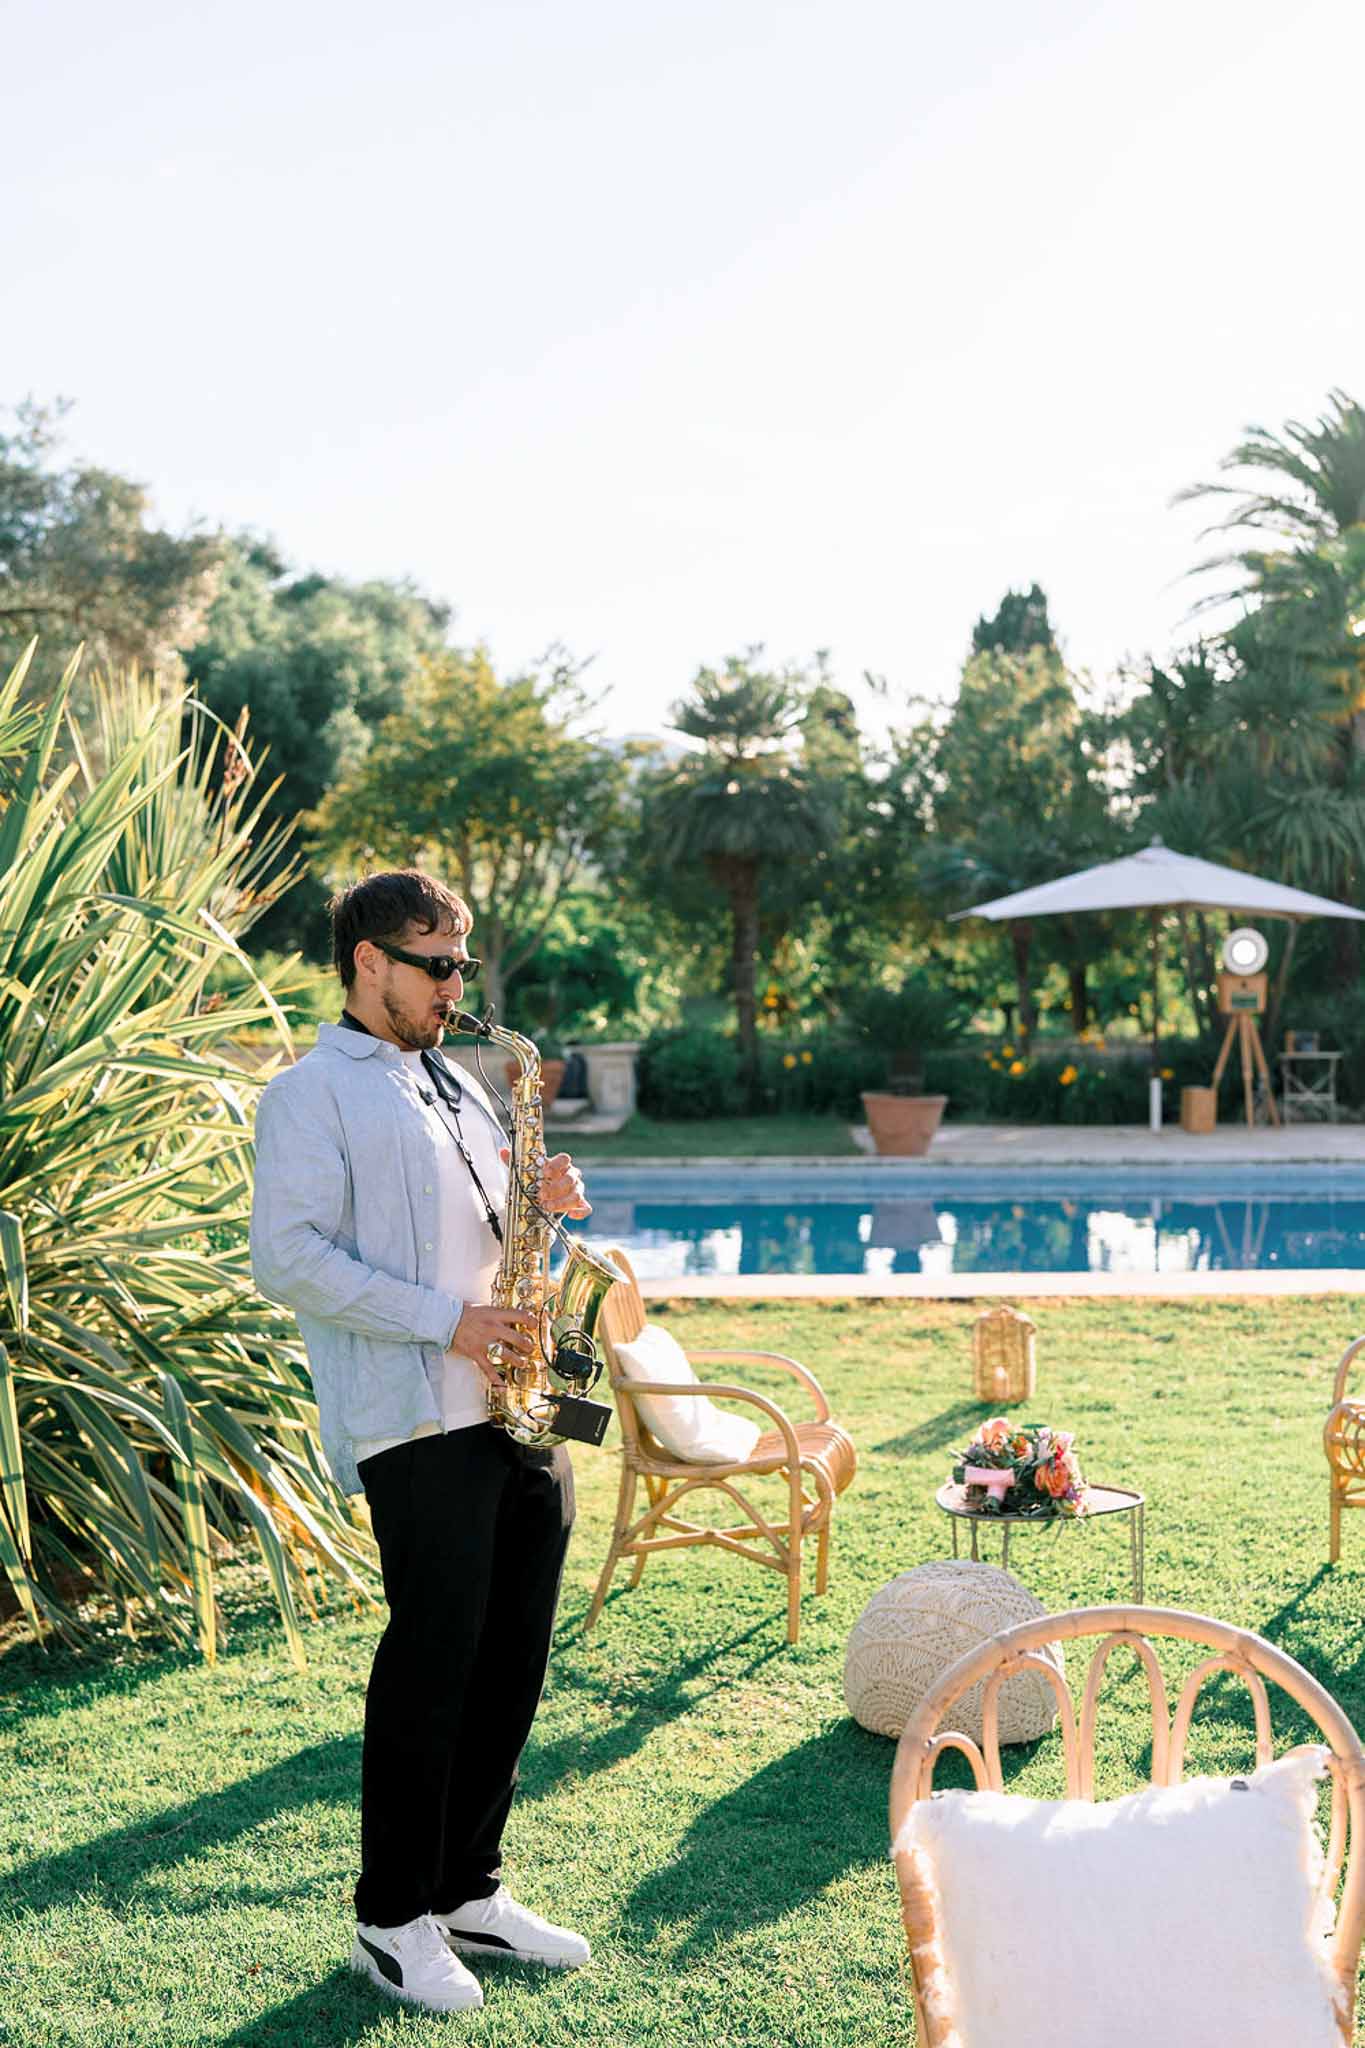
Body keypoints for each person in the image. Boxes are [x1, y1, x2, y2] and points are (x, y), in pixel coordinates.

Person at [250, 867, 593, 2016]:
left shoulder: (458, 1082)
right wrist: (449, 1321)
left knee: (512, 1657)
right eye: (435, 962)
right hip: (414, 1417)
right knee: (434, 1659)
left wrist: (537, 1197)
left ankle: (467, 1888)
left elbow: (484, 1237)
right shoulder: (309, 1094)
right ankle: (391, 1918)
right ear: (368, 961)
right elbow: (287, 1256)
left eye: (462, 963)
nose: (457, 984)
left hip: (512, 1405)